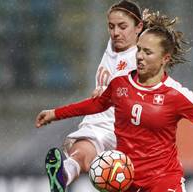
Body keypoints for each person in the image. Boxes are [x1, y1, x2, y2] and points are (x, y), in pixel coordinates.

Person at [36, 10, 193, 192]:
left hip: (163, 181)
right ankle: (69, 169)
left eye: (148, 52)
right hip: (127, 180)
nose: (139, 56)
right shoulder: (120, 84)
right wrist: (56, 113)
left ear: (164, 59)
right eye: (139, 50)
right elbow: (96, 105)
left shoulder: (176, 94)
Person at [41, 1, 143, 192]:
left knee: (130, 182)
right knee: (81, 151)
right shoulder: (115, 44)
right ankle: (64, 174)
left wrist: (112, 93)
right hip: (99, 119)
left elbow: (143, 88)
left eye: (122, 27)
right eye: (111, 26)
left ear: (138, 28)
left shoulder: (140, 57)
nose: (116, 32)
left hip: (124, 125)